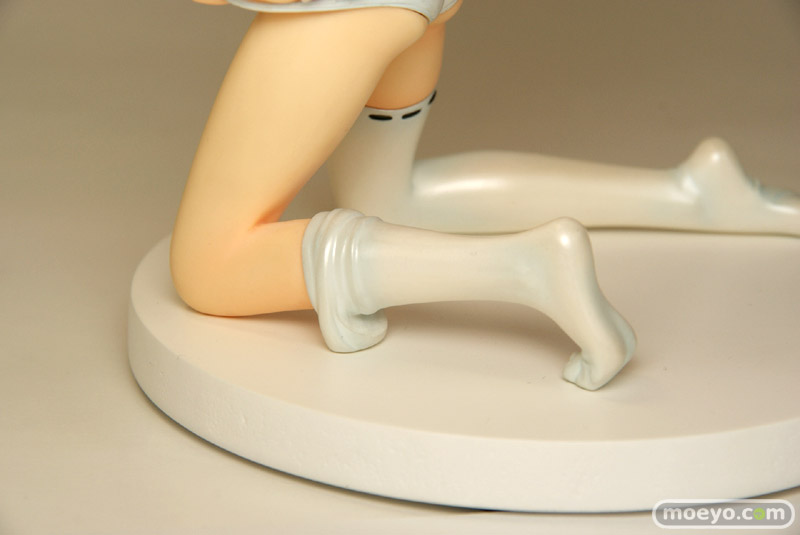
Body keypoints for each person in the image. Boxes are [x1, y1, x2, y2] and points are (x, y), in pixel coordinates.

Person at [170, 0, 797, 389]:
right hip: (410, 8)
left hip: (341, 13)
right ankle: (689, 193)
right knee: (386, 203)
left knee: (209, 268)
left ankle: (527, 266)